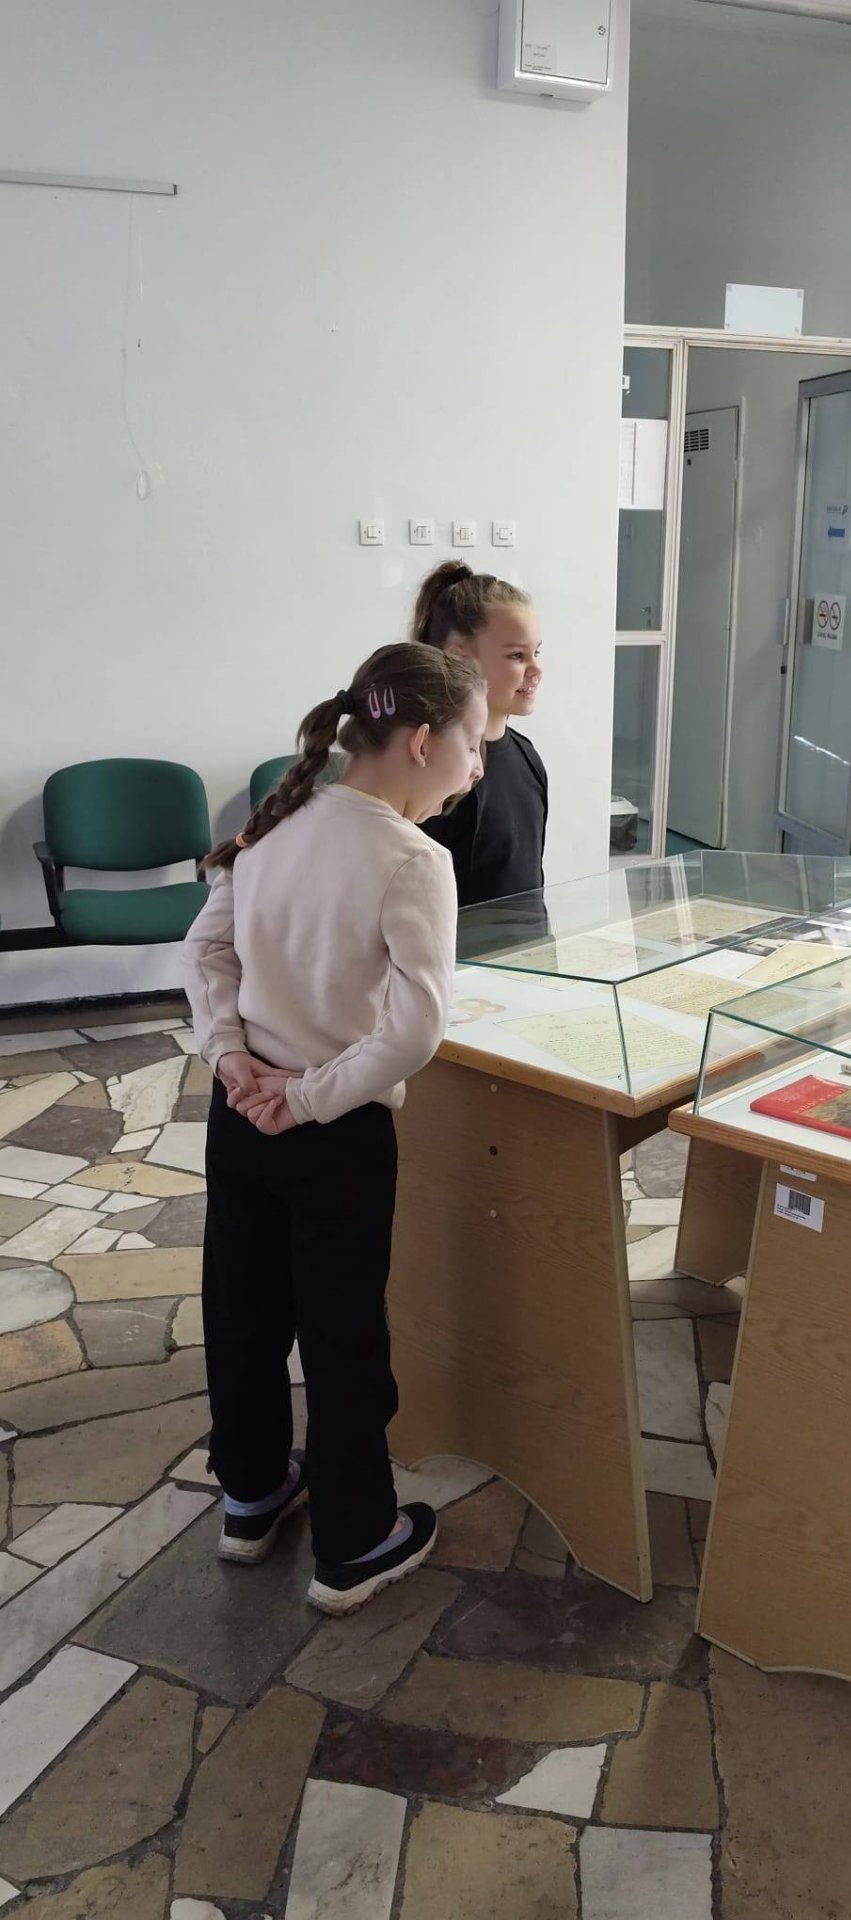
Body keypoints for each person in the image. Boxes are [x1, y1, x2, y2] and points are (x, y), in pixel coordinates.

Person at [183, 642, 486, 1615]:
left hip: (240, 1114)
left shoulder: (278, 817)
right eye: (475, 743)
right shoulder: (413, 858)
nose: (477, 765)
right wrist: (308, 1097)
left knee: (241, 1311)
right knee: (342, 1332)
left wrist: (231, 1057)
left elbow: (205, 951)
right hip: (334, 1133)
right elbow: (415, 1032)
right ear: (423, 741)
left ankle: (250, 1494)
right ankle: (355, 1538)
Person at [412, 560, 547, 907]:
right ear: (460, 659)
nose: (536, 669)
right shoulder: (433, 772)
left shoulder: (527, 757)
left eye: (537, 652)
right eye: (517, 655)